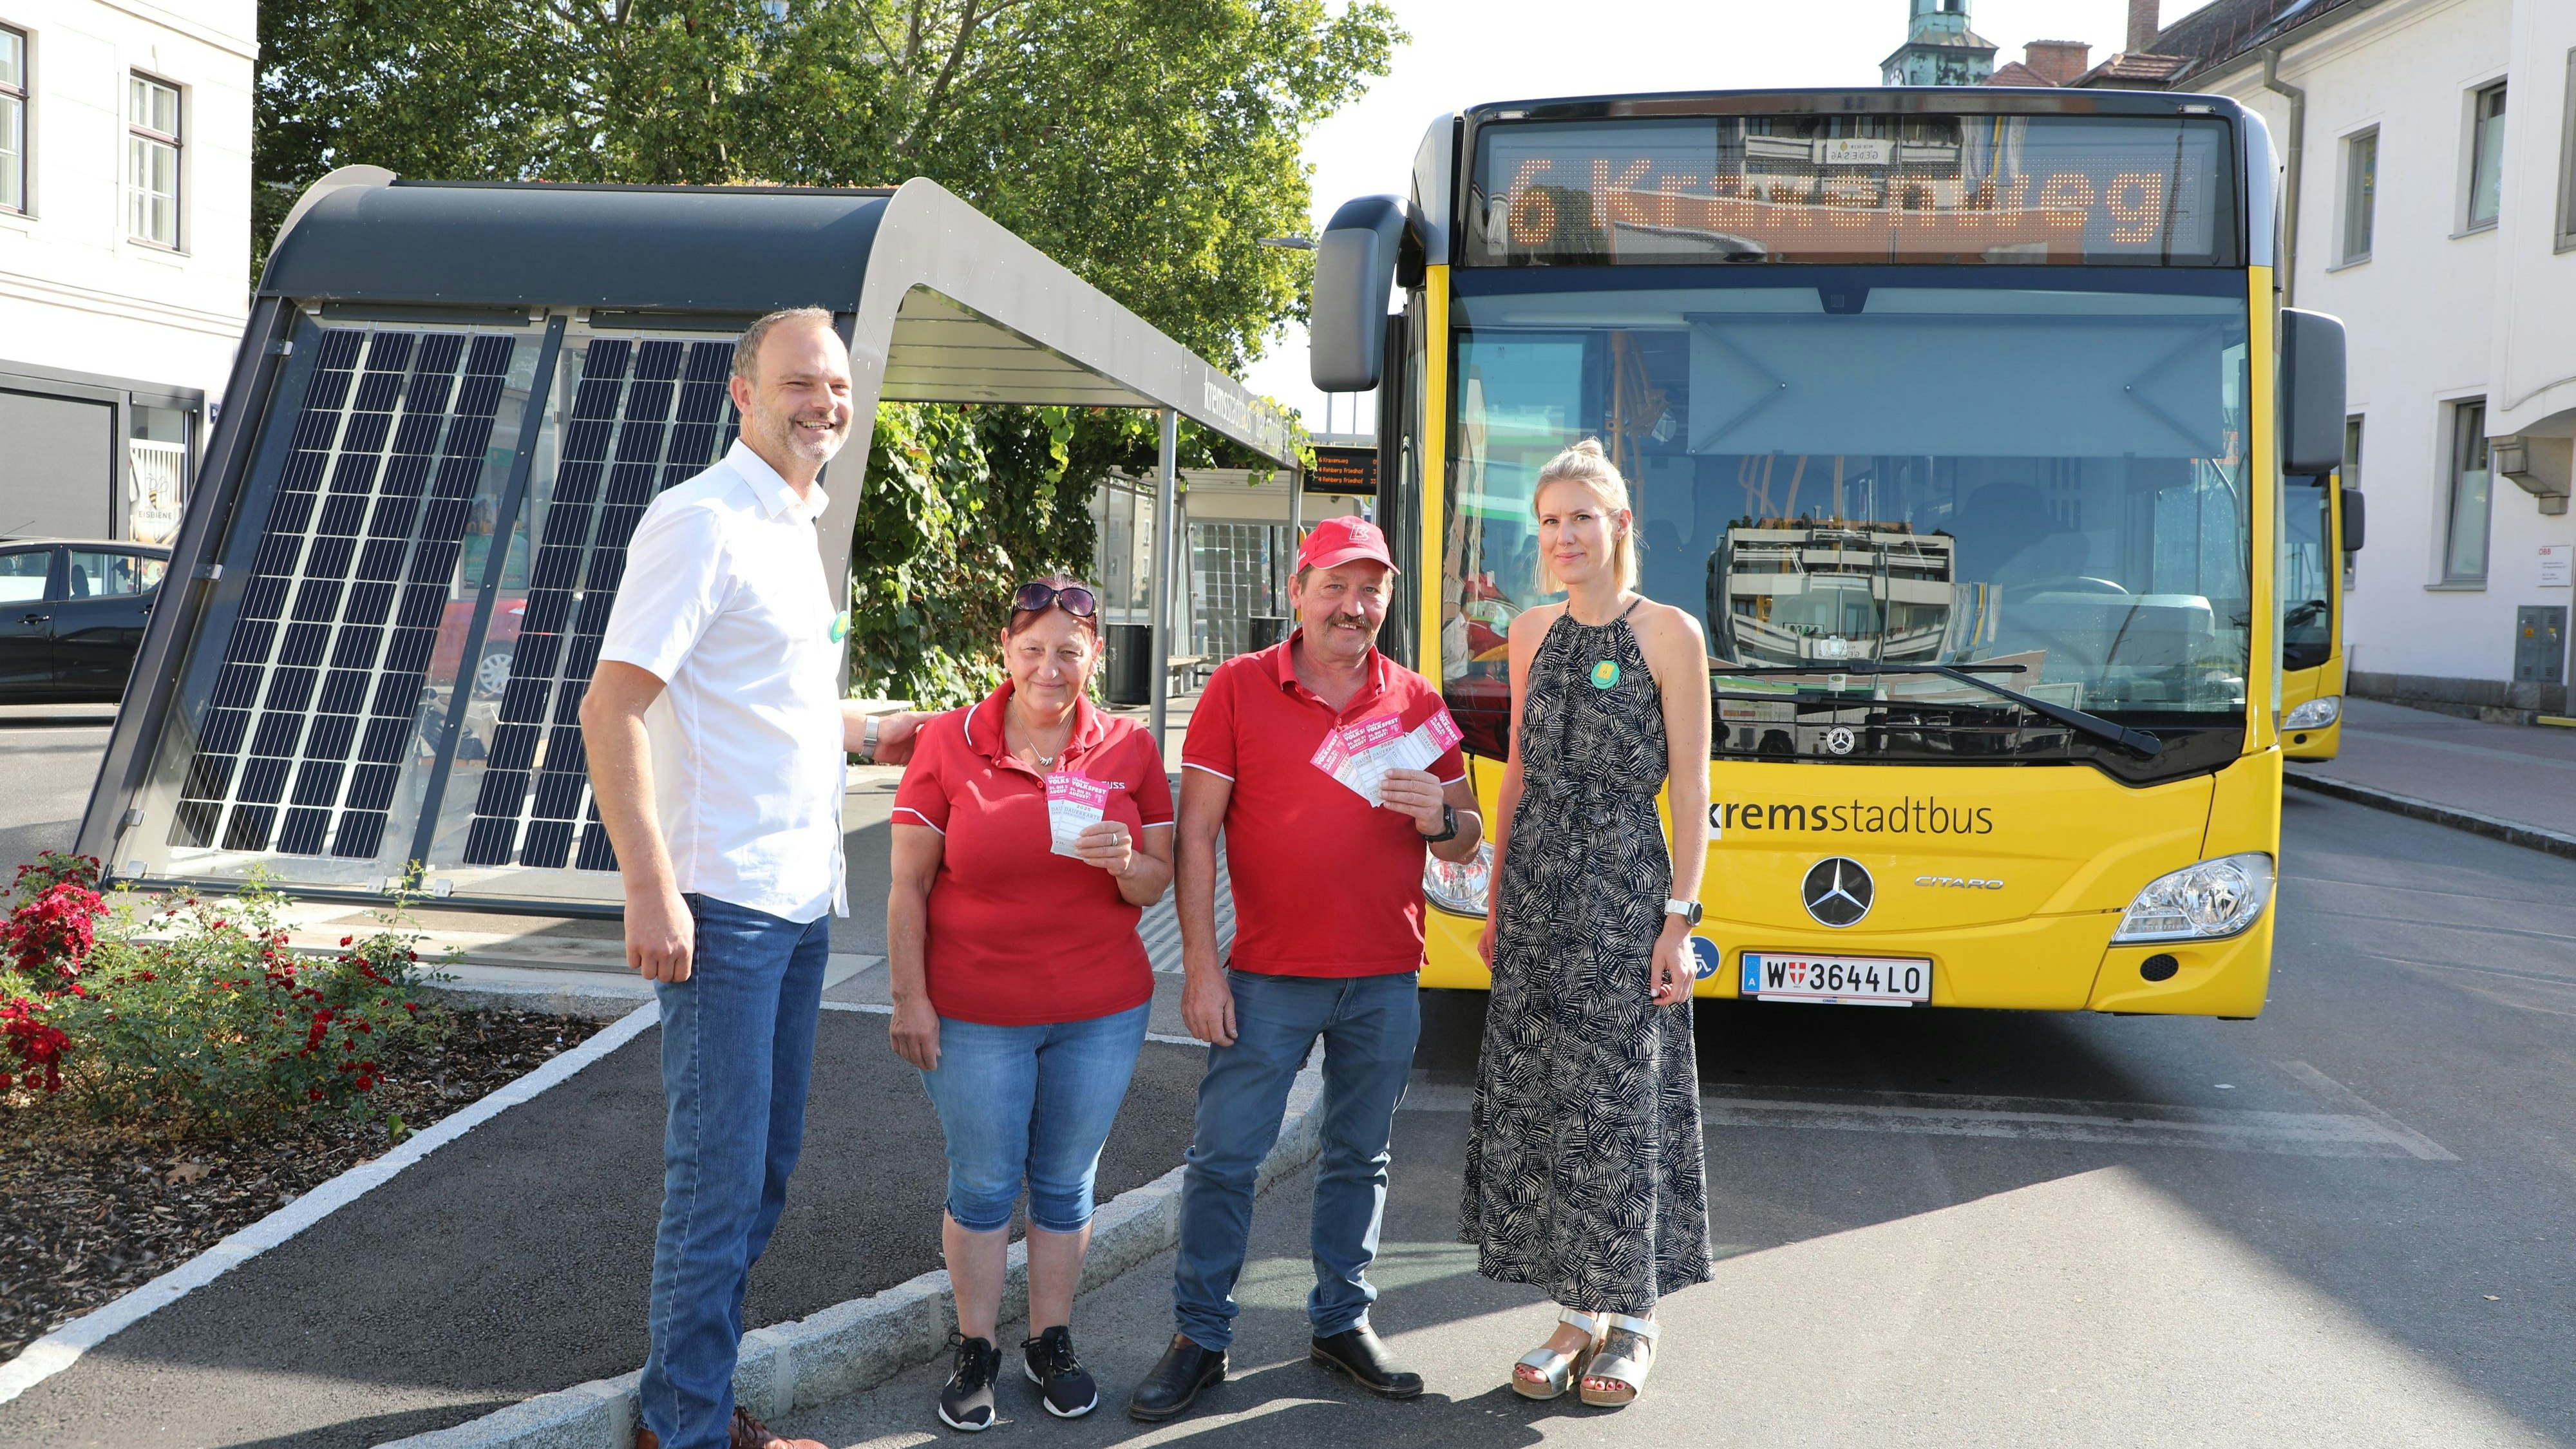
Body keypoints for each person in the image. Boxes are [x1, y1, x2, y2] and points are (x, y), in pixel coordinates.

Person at [583, 307, 917, 1449]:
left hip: (795, 900)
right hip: (719, 906)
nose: (824, 401)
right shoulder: (701, 521)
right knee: (717, 1185)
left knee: (761, 1176)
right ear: (743, 393)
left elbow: (776, 703)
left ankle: (696, 1403)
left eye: (836, 385)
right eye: (799, 383)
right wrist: (648, 886)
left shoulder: (797, 527)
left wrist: (882, 731)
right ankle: (680, 1427)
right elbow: (612, 705)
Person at [1126, 515, 1485, 1423]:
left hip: (1383, 974)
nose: (1353, 606)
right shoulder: (1240, 687)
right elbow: (1197, 833)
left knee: (1361, 1155)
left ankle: (1340, 1322)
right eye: (1336, 585)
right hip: (1268, 976)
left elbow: (1470, 830)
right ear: (1298, 589)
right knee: (1224, 1159)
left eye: (1372, 590)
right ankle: (1200, 1337)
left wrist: (1439, 820)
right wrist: (1201, 969)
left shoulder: (1415, 700)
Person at [884, 576, 1175, 1432]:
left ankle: (1052, 1339)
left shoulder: (1129, 747)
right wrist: (910, 998)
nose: (1051, 666)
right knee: (981, 1183)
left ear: (1095, 658)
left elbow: (1153, 883)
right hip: (974, 1012)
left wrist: (1127, 862)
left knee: (1064, 1182)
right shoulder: (949, 741)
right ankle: (976, 1345)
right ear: (1006, 654)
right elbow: (906, 888)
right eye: (1034, 649)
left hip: (1100, 1011)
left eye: (1070, 651)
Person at [1464, 437, 1714, 1408]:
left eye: (1581, 517)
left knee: (1620, 1099)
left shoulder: (1670, 635)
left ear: (1620, 525)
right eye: (1550, 521)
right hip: (1537, 896)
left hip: (1623, 891)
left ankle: (1635, 1316)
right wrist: (1494, 902)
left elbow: (1691, 788)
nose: (1565, 535)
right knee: (1551, 1102)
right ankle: (1575, 1311)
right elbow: (1520, 775)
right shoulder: (1529, 632)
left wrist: (1678, 918)